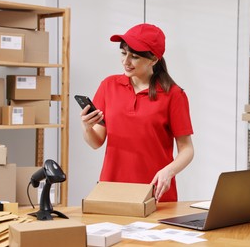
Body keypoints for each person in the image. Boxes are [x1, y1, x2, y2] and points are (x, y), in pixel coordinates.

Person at [79, 23, 194, 202]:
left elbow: (187, 149)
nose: (126, 62)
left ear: (154, 59)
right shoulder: (109, 86)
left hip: (155, 191)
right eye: (124, 53)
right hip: (112, 191)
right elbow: (96, 142)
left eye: (135, 57)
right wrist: (87, 127)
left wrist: (168, 171)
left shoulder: (174, 94)